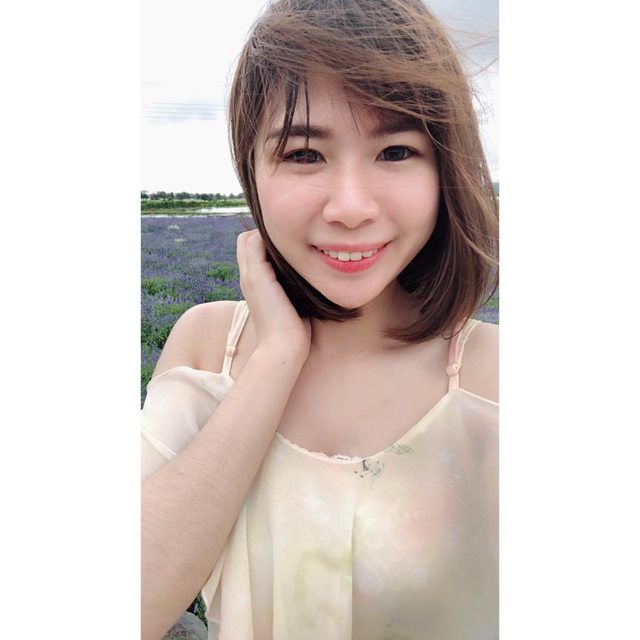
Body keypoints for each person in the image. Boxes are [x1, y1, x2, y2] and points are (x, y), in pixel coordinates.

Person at [141, 0, 498, 638]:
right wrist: (277, 357)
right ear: (252, 170)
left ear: (444, 168)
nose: (351, 208)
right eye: (305, 154)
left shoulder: (493, 379)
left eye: (396, 150)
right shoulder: (208, 346)